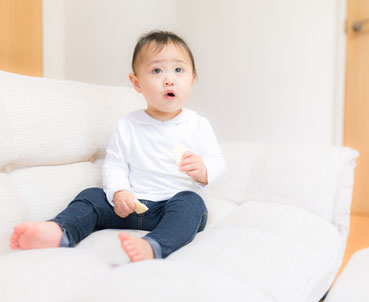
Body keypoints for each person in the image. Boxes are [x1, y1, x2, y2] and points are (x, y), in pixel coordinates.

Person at [9, 30, 226, 261]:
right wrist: (120, 191)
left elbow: (217, 162)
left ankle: (154, 246)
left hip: (171, 207)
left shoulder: (197, 124)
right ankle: (60, 231)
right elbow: (115, 165)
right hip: (131, 205)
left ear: (192, 80)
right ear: (137, 83)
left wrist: (204, 171)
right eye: (157, 70)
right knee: (91, 196)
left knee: (191, 203)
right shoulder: (128, 125)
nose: (169, 79)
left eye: (179, 70)